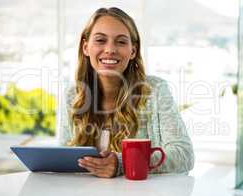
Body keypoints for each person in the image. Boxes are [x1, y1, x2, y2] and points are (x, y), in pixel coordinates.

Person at [58, 7, 194, 178]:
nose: (110, 49)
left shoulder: (155, 90)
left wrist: (123, 163)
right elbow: (63, 159)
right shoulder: (72, 95)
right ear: (86, 47)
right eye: (100, 40)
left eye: (121, 42)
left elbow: (184, 155)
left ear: (133, 51)